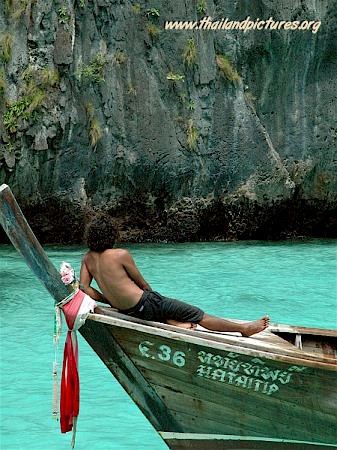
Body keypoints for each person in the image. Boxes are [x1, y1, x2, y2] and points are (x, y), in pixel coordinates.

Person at [80, 213, 270, 336]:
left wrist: (109, 299)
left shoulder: (87, 259)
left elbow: (85, 288)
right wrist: (156, 300)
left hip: (125, 309)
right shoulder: (120, 254)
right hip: (145, 304)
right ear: (111, 235)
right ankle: (243, 329)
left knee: (164, 308)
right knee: (198, 314)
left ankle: (175, 321)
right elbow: (143, 284)